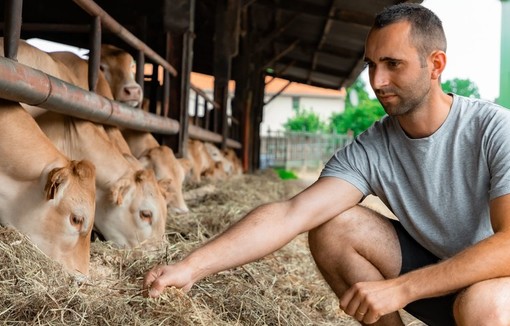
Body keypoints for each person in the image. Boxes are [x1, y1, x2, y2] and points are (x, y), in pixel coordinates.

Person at [143, 3, 510, 325]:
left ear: (436, 65)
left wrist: (402, 287)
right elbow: (292, 213)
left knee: (483, 306)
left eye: (393, 64)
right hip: (440, 283)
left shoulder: (494, 128)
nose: (378, 82)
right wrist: (191, 267)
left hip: (496, 290)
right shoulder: (374, 147)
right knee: (332, 226)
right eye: (372, 65)